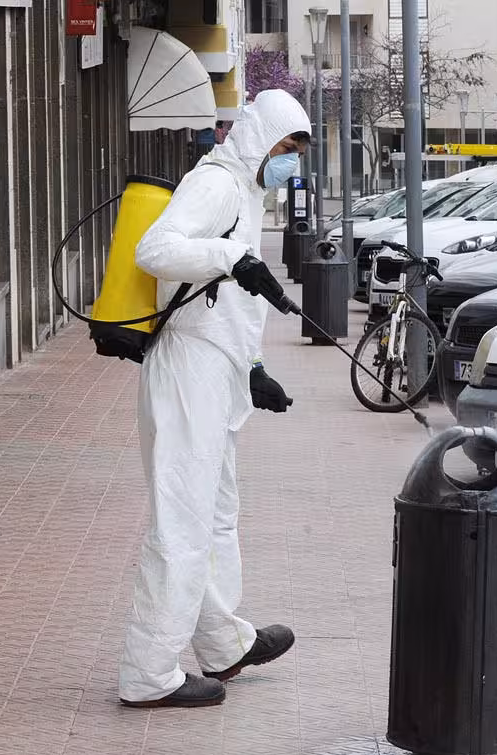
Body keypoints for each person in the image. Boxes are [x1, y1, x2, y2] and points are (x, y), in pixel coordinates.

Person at [118, 90, 312, 709]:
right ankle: (148, 674)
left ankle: (221, 641)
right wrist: (232, 257)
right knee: (183, 522)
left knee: (217, 515)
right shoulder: (217, 184)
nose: (290, 164)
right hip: (187, 372)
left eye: (296, 154)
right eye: (285, 149)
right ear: (259, 139)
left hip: (218, 370)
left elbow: (231, 300)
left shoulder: (248, 194)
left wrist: (254, 368)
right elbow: (156, 251)